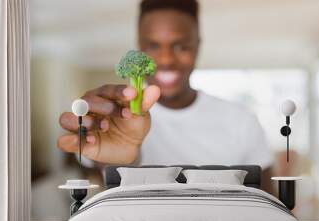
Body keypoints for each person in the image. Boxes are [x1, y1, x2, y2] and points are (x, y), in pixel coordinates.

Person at [57, 0, 274, 194]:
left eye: (181, 46)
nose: (167, 59)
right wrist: (115, 162)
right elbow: (101, 175)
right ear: (139, 47)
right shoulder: (114, 119)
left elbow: (271, 203)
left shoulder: (241, 120)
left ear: (198, 45)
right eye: (153, 46)